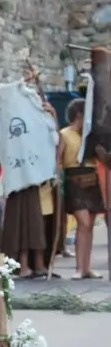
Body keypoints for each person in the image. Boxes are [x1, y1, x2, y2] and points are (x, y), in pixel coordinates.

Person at [58, 98, 104, 279]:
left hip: (91, 178)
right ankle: (78, 267)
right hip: (74, 179)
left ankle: (86, 268)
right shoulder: (65, 134)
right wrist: (57, 178)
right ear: (79, 114)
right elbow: (59, 159)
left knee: (90, 225)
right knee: (83, 223)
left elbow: (101, 158)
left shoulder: (91, 135)